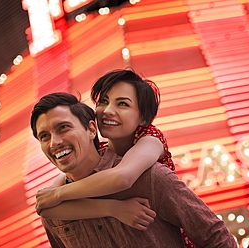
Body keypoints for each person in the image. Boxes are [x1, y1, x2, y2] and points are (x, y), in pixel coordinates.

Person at [31, 92, 237, 247]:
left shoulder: (149, 178)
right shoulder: (52, 210)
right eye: (44, 136)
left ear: (92, 129)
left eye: (63, 128)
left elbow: (216, 238)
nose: (55, 142)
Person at [35, 69, 194, 247]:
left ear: (143, 117)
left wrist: (58, 194)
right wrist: (114, 209)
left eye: (123, 104)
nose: (108, 111)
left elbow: (122, 177)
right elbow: (46, 207)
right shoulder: (101, 149)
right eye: (104, 101)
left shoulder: (150, 140)